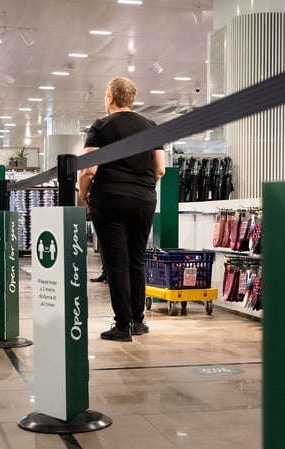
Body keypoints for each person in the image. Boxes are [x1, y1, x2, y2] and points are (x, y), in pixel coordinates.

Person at [78, 77, 166, 342]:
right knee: (137, 259)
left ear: (109, 99)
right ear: (132, 99)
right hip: (144, 199)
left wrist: (83, 195)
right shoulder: (151, 126)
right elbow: (160, 168)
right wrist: (141, 187)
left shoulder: (101, 126)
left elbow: (89, 170)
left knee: (117, 263)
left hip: (110, 198)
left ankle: (122, 325)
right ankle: (138, 321)